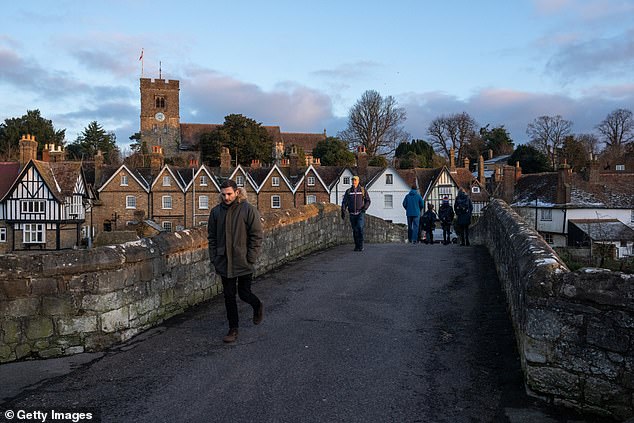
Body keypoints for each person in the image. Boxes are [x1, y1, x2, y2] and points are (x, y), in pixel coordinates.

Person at [208, 179, 264, 343]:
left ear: (237, 192)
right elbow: (211, 238)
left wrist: (251, 257)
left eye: (229, 194)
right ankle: (233, 329)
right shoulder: (216, 212)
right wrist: (214, 258)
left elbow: (256, 236)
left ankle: (257, 305)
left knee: (244, 294)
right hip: (224, 261)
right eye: (223, 194)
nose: (226, 197)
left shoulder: (248, 210)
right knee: (228, 296)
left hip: (243, 260)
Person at [341, 175, 371, 251]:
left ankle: (360, 246)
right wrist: (343, 211)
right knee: (355, 230)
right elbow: (344, 202)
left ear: (358, 181)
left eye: (355, 180)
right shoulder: (348, 191)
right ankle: (356, 245)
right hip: (352, 213)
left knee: (360, 228)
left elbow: (368, 200)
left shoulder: (362, 190)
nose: (354, 182)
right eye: (353, 180)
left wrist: (365, 208)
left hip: (360, 212)